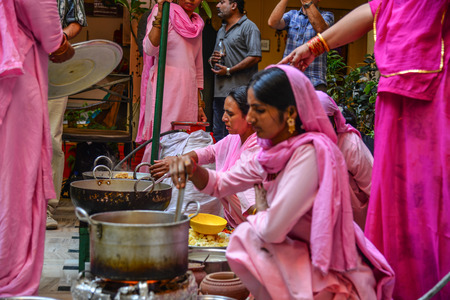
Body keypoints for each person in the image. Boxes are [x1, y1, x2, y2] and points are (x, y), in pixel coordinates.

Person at [169, 65, 395, 299]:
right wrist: (192, 168)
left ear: (289, 114)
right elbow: (219, 184)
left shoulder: (310, 154)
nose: (251, 118)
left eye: (259, 110)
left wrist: (257, 214)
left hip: (322, 274)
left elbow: (275, 228)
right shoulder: (272, 151)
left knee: (246, 236)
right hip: (291, 264)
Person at [281, 1, 449, 299]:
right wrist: (315, 46)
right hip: (394, 88)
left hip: (438, 88)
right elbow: (379, 8)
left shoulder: (348, 145)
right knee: (395, 203)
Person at [0, 0, 74, 295]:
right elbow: (39, 7)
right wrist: (57, 43)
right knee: (16, 169)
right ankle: (9, 265)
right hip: (14, 60)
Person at [150, 86, 258, 227]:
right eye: (224, 112)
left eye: (230, 114)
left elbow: (238, 187)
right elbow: (210, 152)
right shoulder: (235, 138)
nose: (223, 118)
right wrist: (181, 160)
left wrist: (184, 165)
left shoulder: (257, 147)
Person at [136, 0, 207, 150]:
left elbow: (198, 65)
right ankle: (156, 173)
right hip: (165, 86)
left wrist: (199, 104)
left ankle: (178, 173)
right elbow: (150, 49)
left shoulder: (197, 24)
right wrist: (161, 14)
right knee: (162, 136)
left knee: (184, 139)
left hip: (188, 91)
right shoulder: (164, 12)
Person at [46, 0, 87, 230]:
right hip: (17, 63)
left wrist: (59, 37)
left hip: (55, 66)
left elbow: (76, 22)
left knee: (51, 137)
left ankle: (46, 207)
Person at [316, 91, 372, 230]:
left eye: (323, 124)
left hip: (356, 224)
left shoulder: (350, 145)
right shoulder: (303, 145)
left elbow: (374, 188)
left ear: (334, 123)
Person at [209, 0, 261, 142]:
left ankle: (234, 165)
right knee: (219, 135)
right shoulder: (221, 29)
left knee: (236, 137)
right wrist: (212, 60)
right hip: (219, 93)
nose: (217, 6)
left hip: (239, 96)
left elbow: (255, 56)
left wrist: (229, 70)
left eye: (221, 2)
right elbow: (214, 55)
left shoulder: (249, 27)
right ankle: (222, 165)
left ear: (234, 5)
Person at [268, 0, 333, 92]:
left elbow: (320, 29)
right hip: (289, 79)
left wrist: (308, 3)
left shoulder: (327, 15)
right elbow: (272, 23)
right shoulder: (292, 15)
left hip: (315, 81)